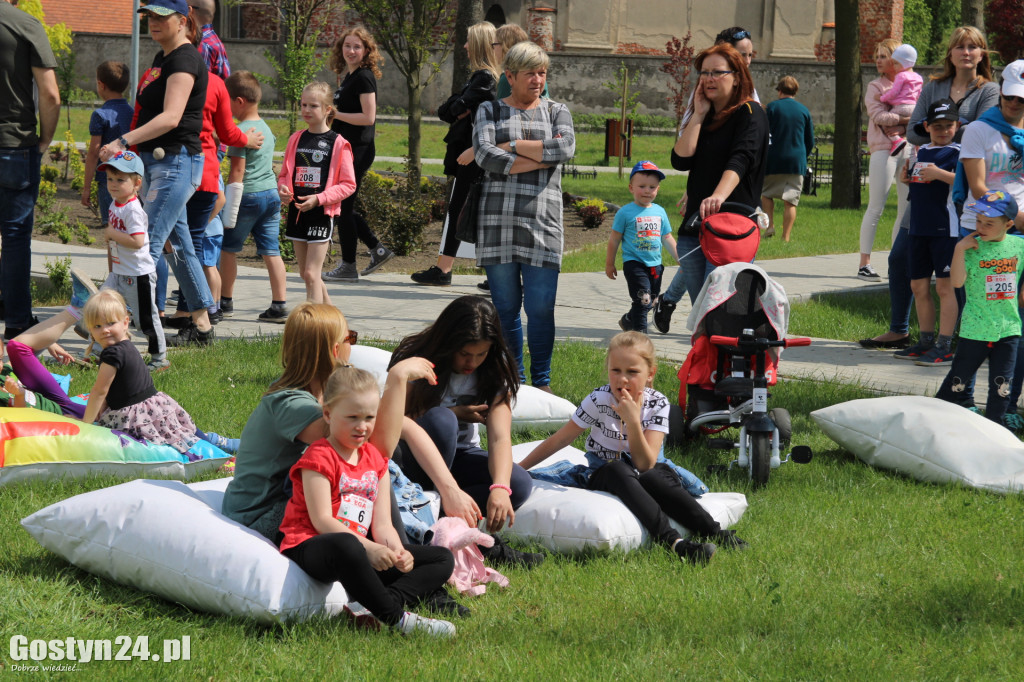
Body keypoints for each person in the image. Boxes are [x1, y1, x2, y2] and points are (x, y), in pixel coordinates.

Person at [519, 332, 747, 565]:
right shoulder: (599, 399)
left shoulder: (658, 403)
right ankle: (676, 544)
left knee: (654, 477)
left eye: (632, 372)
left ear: (650, 374)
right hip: (606, 471)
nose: (623, 380)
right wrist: (518, 468)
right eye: (615, 371)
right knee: (617, 468)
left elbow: (646, 464)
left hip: (649, 469)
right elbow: (559, 439)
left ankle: (714, 531)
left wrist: (633, 421)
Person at [278, 365, 458, 638]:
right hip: (314, 544)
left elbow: (383, 523)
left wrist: (398, 551)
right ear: (328, 414)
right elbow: (322, 520)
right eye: (352, 417)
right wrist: (370, 549)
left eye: (369, 417)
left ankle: (379, 604)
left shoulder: (376, 460)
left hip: (362, 550)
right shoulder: (319, 457)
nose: (362, 426)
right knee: (348, 544)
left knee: (441, 557)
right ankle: (397, 620)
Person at [860, 26, 999, 350]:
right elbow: (913, 131)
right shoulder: (934, 86)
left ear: (982, 54)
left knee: (959, 271)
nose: (966, 52)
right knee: (900, 258)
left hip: (962, 193)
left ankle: (958, 338)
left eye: (973, 47)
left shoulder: (988, 91)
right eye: (960, 47)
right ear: (950, 53)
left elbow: (981, 135)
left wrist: (944, 141)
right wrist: (945, 137)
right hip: (925, 187)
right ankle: (900, 329)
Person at [389, 296, 543, 567]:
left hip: (460, 456)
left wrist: (499, 489)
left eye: (481, 354)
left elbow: (499, 437)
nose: (472, 362)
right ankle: (439, 512)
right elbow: (394, 421)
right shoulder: (415, 358)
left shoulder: (494, 371)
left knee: (517, 484)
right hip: (413, 459)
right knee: (442, 421)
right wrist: (454, 414)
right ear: (448, 342)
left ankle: (446, 520)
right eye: (464, 354)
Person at [99, 0, 214, 349]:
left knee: (143, 243)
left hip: (176, 161)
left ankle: (132, 327)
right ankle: (204, 328)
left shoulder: (184, 58)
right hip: (157, 162)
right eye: (149, 16)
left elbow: (171, 117)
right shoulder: (162, 59)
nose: (153, 22)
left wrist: (122, 142)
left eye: (161, 16)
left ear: (182, 21)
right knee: (178, 246)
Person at [3, 287, 236, 452]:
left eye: (110, 324)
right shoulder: (121, 348)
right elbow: (98, 393)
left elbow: (101, 392)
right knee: (176, 432)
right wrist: (86, 423)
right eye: (97, 326)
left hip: (56, 400)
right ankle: (213, 440)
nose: (104, 330)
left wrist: (48, 343)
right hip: (56, 410)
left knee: (15, 346)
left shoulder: (114, 352)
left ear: (125, 322)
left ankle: (75, 309)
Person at [473, 41, 575, 390]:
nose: (537, 79)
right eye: (530, 72)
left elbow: (565, 148)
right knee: (505, 308)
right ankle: (512, 378)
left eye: (542, 72)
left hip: (543, 224)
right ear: (510, 76)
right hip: (496, 222)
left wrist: (514, 146)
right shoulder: (489, 110)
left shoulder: (557, 110)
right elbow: (484, 155)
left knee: (541, 308)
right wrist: (541, 158)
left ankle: (541, 382)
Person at [653, 43, 768, 335]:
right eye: (704, 73)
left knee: (720, 314)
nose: (708, 79)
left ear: (737, 76)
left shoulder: (751, 113)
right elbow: (680, 159)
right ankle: (708, 373)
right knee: (703, 317)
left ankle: (725, 373)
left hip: (730, 229)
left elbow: (741, 158)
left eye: (717, 72)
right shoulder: (705, 117)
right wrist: (699, 114)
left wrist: (718, 195)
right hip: (695, 228)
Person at [163, 58, 262, 330]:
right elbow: (226, 131)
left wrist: (243, 139)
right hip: (197, 173)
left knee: (180, 248)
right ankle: (193, 313)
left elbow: (228, 132)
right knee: (184, 248)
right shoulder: (209, 82)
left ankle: (201, 315)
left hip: (190, 174)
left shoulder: (190, 80)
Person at [411, 21, 501, 286]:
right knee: (470, 209)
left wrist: (460, 107)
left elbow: (456, 108)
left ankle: (445, 269)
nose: (464, 46)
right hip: (470, 152)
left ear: (479, 45)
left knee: (461, 208)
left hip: (473, 154)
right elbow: (446, 110)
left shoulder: (485, 78)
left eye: (468, 41)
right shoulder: (479, 77)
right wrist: (458, 106)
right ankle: (478, 271)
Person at [935, 191, 1024, 428]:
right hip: (975, 329)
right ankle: (936, 419)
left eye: (989, 223)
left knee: (1002, 386)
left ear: (1009, 224)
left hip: (1009, 329)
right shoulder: (971, 247)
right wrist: (959, 250)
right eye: (978, 221)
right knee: (958, 381)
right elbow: (956, 282)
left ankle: (995, 429)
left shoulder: (1019, 245)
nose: (981, 227)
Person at [0, 0, 60, 340]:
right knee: (15, 237)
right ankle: (19, 321)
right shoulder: (25, 25)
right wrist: (44, 140)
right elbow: (50, 95)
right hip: (14, 144)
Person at [321, 27, 394, 283]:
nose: (351, 51)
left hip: (358, 150)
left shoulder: (364, 77)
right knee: (344, 207)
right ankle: (377, 249)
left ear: (366, 51)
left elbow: (368, 117)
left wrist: (334, 114)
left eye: (357, 47)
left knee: (342, 207)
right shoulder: (349, 77)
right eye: (347, 46)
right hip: (345, 150)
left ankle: (349, 266)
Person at [891, 100, 960, 367]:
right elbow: (913, 180)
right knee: (918, 286)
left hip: (945, 229)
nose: (943, 131)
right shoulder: (919, 151)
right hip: (917, 228)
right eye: (938, 127)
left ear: (957, 126)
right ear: (927, 127)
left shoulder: (959, 152)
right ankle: (925, 341)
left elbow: (968, 180)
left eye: (949, 126)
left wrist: (939, 174)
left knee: (944, 287)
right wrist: (906, 176)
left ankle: (944, 344)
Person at [278, 81, 357, 305]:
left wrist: (319, 199)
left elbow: (348, 185)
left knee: (313, 274)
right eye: (303, 105)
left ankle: (313, 328)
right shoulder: (296, 138)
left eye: (313, 105)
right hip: (297, 212)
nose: (306, 110)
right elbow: (285, 174)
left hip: (322, 214)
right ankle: (335, 321)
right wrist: (283, 189)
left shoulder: (339, 144)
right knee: (305, 274)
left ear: (327, 110)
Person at [220, 71, 289, 324]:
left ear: (239, 101)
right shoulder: (266, 129)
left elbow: (237, 172)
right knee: (272, 251)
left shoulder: (241, 132)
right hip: (271, 196)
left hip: (247, 196)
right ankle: (279, 305)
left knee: (227, 249)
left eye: (227, 101)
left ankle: (225, 301)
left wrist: (229, 206)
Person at [96, 151, 168, 371]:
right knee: (102, 307)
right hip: (119, 272)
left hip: (138, 275)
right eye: (110, 179)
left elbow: (137, 242)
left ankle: (159, 358)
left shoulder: (133, 209)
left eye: (120, 179)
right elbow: (113, 242)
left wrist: (111, 234)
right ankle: (101, 349)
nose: (113, 184)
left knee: (146, 319)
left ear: (137, 183)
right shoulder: (115, 205)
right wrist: (112, 267)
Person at [856, 38, 912, 283]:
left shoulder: (910, 83)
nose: (877, 60)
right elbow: (877, 115)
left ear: (896, 60)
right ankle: (864, 264)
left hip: (909, 149)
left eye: (883, 56)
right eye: (876, 56)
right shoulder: (875, 87)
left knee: (905, 208)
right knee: (876, 206)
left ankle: (897, 261)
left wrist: (903, 119)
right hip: (883, 150)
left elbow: (921, 112)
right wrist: (907, 120)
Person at [605, 160, 677, 334]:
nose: (647, 190)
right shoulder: (625, 212)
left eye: (652, 187)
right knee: (643, 299)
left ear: (658, 189)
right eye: (642, 186)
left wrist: (679, 257)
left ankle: (629, 319)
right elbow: (614, 239)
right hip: (634, 263)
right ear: (631, 188)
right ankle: (640, 335)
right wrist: (610, 263)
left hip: (655, 265)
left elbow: (667, 237)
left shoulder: (660, 212)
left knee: (651, 300)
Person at [760, 76, 814, 242]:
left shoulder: (772, 108)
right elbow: (810, 140)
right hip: (796, 161)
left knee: (766, 194)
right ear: (795, 91)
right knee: (790, 201)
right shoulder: (804, 111)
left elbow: (763, 133)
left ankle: (770, 227)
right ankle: (786, 237)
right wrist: (803, 156)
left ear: (779, 90)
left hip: (773, 158)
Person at [81, 61, 134, 228]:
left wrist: (86, 188)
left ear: (100, 85)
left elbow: (93, 153)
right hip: (130, 178)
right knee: (128, 225)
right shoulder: (132, 112)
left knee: (111, 227)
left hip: (107, 180)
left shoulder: (100, 115)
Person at [879, 44, 922, 156]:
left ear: (905, 63)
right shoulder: (918, 77)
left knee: (885, 121)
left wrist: (882, 98)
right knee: (912, 125)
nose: (895, 67)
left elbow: (894, 92)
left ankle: (896, 140)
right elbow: (918, 95)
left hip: (901, 107)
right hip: (913, 107)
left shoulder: (901, 75)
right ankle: (914, 143)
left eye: (897, 63)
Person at [188, 0, 230, 79]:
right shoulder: (211, 40)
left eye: (184, 7)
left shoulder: (203, 44)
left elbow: (199, 85)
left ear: (191, 11)